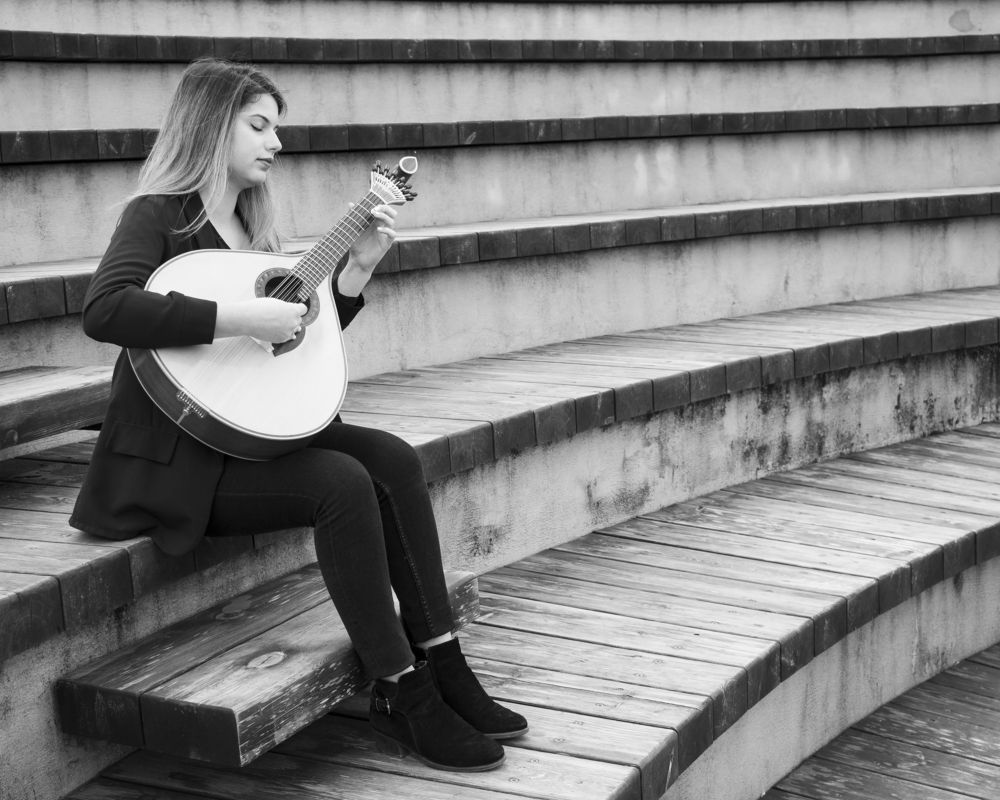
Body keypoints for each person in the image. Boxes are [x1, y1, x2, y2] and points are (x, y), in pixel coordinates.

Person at [69, 58, 526, 772]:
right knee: (340, 482)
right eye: (259, 125)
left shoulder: (252, 229)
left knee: (394, 459)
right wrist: (237, 314)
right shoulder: (157, 215)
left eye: (276, 127)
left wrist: (356, 272)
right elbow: (103, 309)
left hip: (244, 431)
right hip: (176, 461)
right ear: (210, 124)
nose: (275, 142)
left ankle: (444, 658)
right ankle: (400, 688)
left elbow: (292, 345)